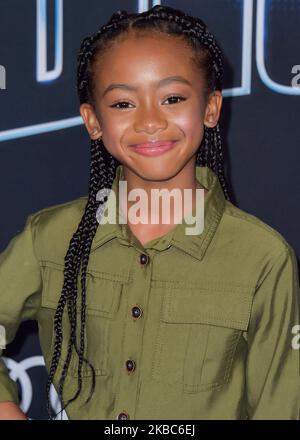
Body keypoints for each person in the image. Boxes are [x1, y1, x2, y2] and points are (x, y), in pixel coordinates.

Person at [0, 5, 299, 420]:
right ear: (93, 121)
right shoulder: (49, 237)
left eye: (172, 98)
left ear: (211, 108)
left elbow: (280, 405)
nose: (151, 122)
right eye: (123, 104)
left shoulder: (262, 257)